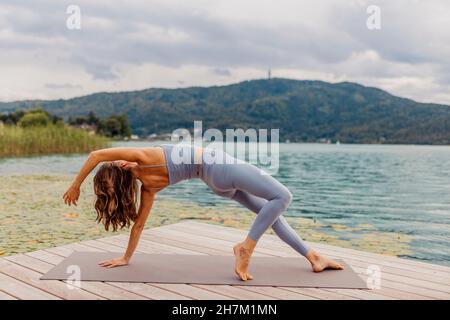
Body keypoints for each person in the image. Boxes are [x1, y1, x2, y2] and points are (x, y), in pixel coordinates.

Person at [63, 143, 343, 281]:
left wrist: (126, 258)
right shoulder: (144, 157)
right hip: (220, 167)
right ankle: (246, 248)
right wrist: (75, 185)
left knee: (271, 212)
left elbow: (138, 226)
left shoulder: (147, 187)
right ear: (121, 166)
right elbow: (97, 155)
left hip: (214, 183)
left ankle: (313, 256)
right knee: (283, 195)